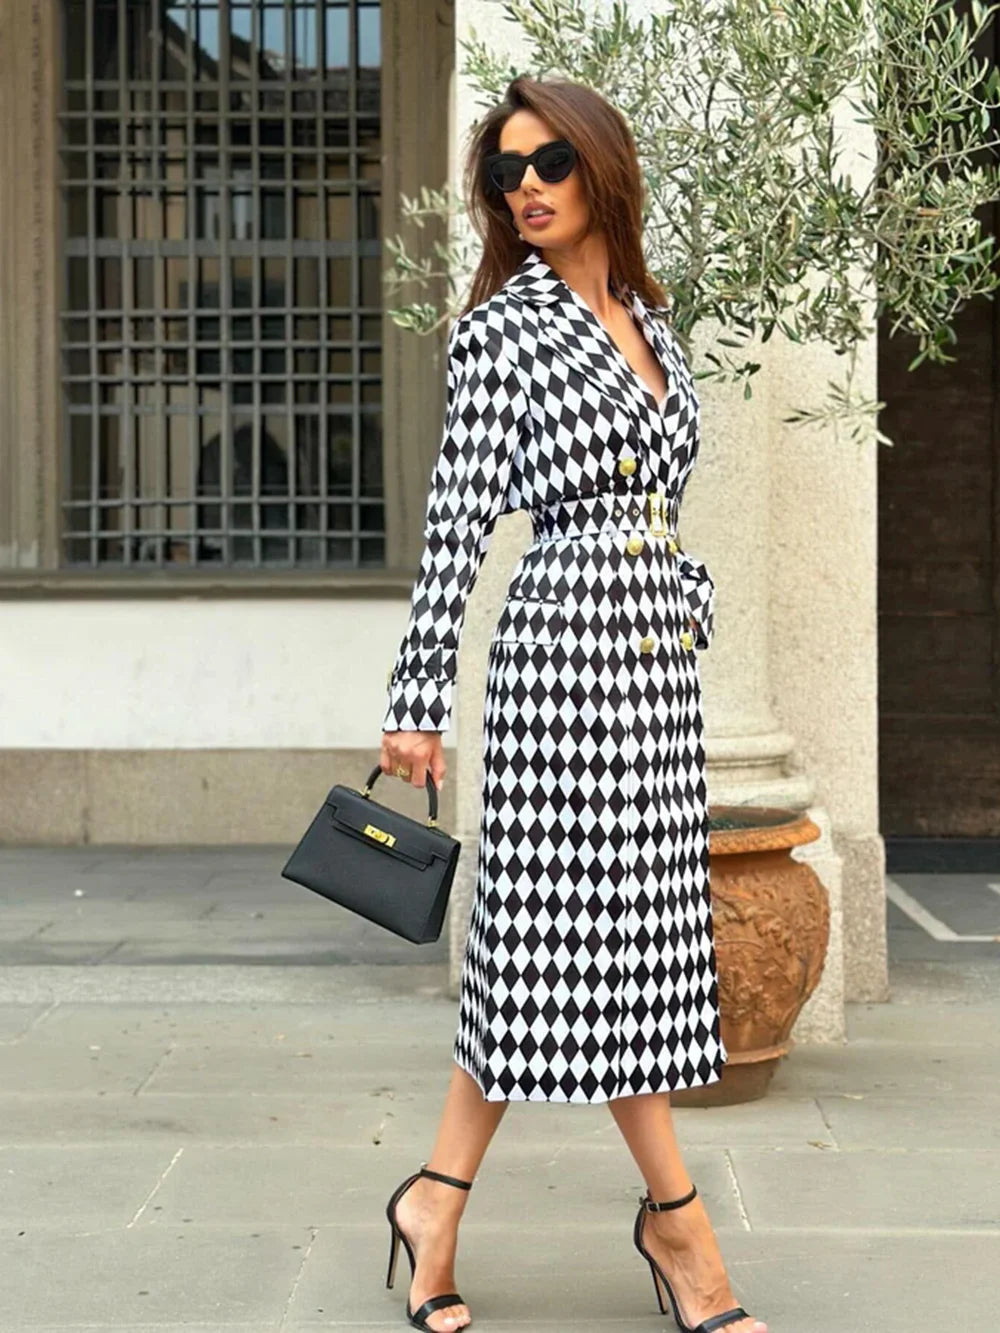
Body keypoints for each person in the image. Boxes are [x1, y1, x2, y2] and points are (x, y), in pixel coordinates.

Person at [378, 75, 766, 1333]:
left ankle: (435, 1202)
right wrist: (417, 700)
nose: (526, 188)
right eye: (505, 173)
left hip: (655, 667)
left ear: (601, 165)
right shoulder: (500, 334)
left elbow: (663, 494)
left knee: (616, 948)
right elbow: (454, 527)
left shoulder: (652, 319)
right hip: (561, 664)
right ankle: (680, 1229)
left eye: (548, 162)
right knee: (561, 940)